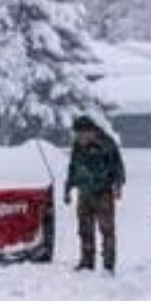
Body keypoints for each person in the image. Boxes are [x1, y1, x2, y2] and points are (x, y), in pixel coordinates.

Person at [64, 116, 125, 274]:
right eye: (77, 135)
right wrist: (68, 188)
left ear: (91, 132)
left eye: (81, 134)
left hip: (103, 192)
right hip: (84, 193)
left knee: (107, 230)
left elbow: (118, 167)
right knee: (84, 229)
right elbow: (73, 168)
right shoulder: (77, 146)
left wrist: (118, 185)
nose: (79, 138)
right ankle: (87, 262)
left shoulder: (106, 144)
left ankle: (108, 265)